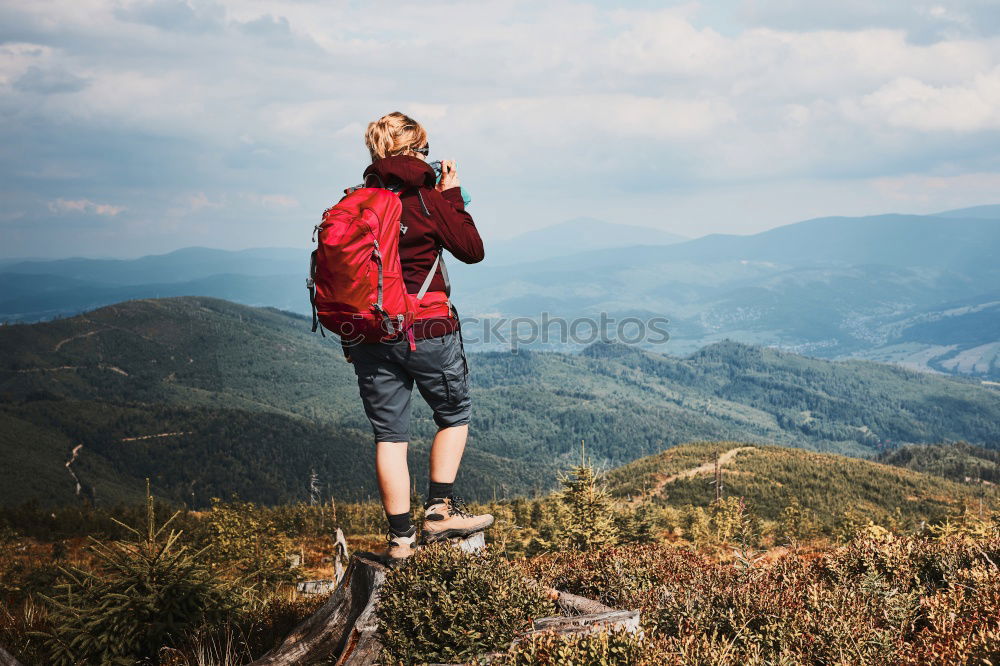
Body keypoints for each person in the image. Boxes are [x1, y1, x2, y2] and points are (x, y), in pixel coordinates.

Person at [348, 111, 493, 564]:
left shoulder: (357, 202)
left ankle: (400, 540)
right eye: (424, 150)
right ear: (415, 151)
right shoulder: (428, 199)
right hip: (427, 328)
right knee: (454, 414)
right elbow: (472, 250)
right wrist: (452, 196)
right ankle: (438, 511)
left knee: (390, 435)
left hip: (367, 332)